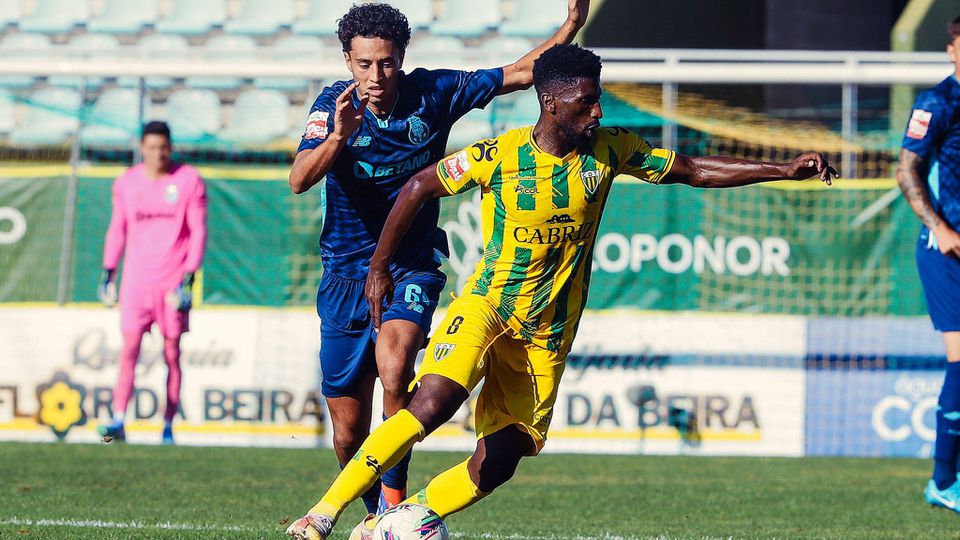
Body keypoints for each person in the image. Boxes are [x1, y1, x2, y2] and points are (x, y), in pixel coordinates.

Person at [286, 43, 837, 540]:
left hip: (547, 330)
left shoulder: (611, 150)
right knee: (430, 402)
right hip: (488, 305)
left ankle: (398, 522)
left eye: (597, 101)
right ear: (551, 103)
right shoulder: (499, 155)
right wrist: (380, 265)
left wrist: (783, 169)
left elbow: (691, 169)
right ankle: (323, 513)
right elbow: (417, 185)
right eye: (585, 102)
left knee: (504, 456)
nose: (596, 112)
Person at [288, 0, 591, 514]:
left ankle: (394, 505)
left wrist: (570, 27)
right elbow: (299, 179)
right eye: (364, 65)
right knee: (346, 432)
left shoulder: (434, 91)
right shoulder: (333, 107)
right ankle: (375, 516)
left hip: (411, 262)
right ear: (347, 61)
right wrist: (339, 135)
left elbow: (520, 74)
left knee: (395, 364)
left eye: (386, 62)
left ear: (401, 57)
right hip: (343, 273)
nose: (376, 75)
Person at [97, 121, 207, 446]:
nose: (158, 153)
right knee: (129, 349)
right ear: (141, 147)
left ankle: (168, 425)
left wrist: (188, 278)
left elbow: (198, 231)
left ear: (170, 148)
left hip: (172, 283)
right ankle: (118, 419)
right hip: (136, 284)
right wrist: (108, 272)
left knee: (171, 354)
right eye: (152, 147)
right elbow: (117, 228)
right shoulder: (127, 183)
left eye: (163, 147)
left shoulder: (188, 180)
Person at [896, 15, 960, 513]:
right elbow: (907, 170)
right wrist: (940, 227)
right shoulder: (937, 103)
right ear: (951, 49)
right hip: (945, 250)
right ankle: (942, 481)